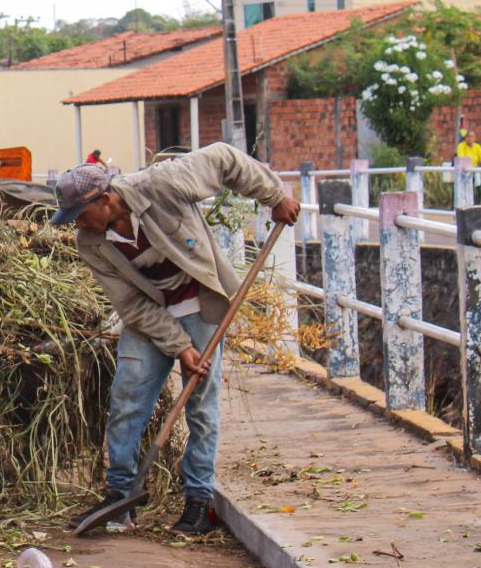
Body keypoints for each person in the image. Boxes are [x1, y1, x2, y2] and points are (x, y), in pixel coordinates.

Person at [53, 143, 301, 535]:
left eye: (80, 215)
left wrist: (273, 196)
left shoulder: (162, 183)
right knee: (126, 399)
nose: (78, 225)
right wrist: (179, 347)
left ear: (104, 199)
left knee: (200, 404)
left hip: (200, 303)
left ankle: (199, 501)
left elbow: (225, 158)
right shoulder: (91, 244)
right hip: (150, 315)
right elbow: (131, 305)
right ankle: (120, 496)